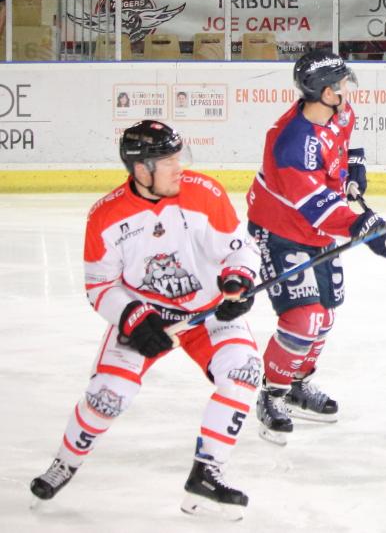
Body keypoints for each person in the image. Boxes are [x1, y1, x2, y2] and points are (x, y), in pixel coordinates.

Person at [28, 120, 262, 520]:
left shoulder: (204, 193)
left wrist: (238, 280)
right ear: (141, 169)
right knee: (108, 395)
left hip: (206, 313)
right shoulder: (105, 216)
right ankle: (65, 462)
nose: (179, 168)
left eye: (178, 158)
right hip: (147, 317)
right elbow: (99, 285)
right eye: (169, 161)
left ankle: (207, 474)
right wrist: (133, 318)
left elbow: (239, 248)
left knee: (244, 371)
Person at [247, 50, 386, 445]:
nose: (347, 91)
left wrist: (354, 169)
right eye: (341, 85)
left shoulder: (340, 112)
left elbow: (345, 142)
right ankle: (272, 394)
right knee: (304, 319)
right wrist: (364, 228)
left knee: (326, 315)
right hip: (280, 231)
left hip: (316, 232)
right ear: (325, 93)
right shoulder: (291, 143)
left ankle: (298, 384)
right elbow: (316, 206)